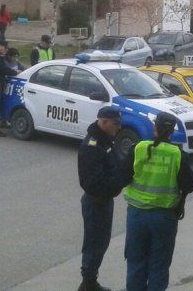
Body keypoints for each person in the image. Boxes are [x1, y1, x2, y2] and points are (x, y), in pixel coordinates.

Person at [122, 112, 193, 291]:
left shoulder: (139, 148)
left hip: (137, 215)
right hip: (164, 217)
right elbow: (190, 183)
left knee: (135, 263)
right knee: (159, 266)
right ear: (172, 131)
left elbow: (123, 177)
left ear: (155, 128)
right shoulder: (177, 154)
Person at [78, 107, 125, 291]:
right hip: (96, 201)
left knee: (101, 242)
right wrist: (119, 182)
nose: (119, 128)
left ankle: (89, 281)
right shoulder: (92, 146)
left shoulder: (105, 141)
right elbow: (93, 184)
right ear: (103, 121)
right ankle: (88, 282)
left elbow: (113, 165)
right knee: (94, 243)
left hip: (104, 200)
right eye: (116, 123)